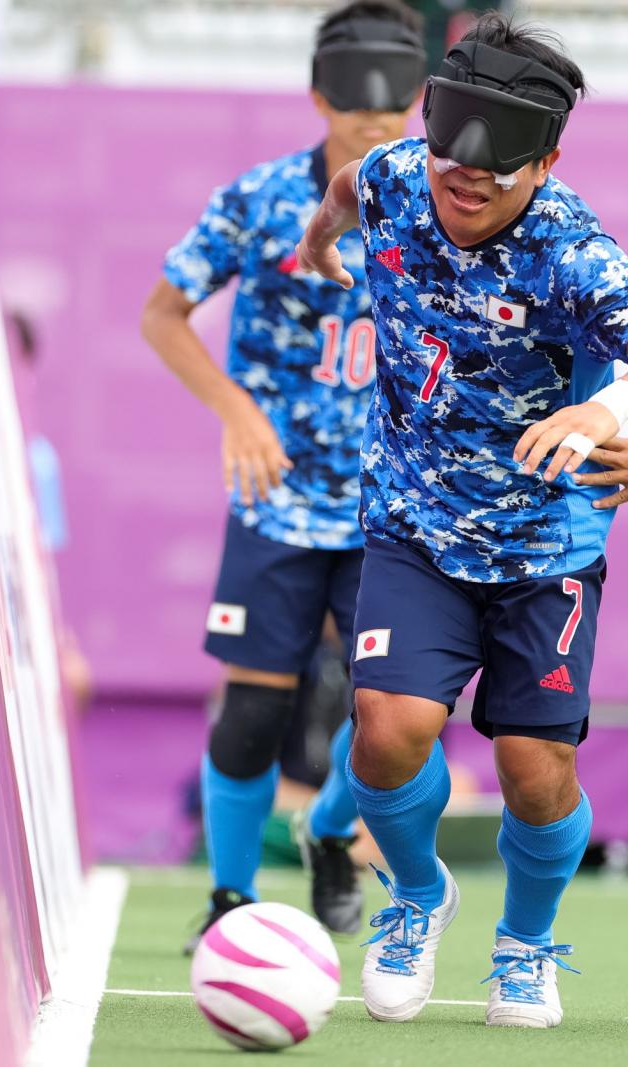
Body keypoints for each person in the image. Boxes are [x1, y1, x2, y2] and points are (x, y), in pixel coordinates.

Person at [297, 10, 628, 1029]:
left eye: (497, 154)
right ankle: (416, 895)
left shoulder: (575, 257)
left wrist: (603, 407)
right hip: (411, 519)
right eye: (451, 138)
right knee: (386, 732)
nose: (465, 171)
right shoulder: (399, 175)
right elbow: (354, 186)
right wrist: (320, 232)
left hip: (545, 544)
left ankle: (523, 943)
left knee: (534, 771)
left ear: (546, 159)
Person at [141, 0, 425, 950]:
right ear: (317, 97)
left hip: (395, 500)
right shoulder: (258, 199)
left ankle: (335, 828)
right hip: (278, 501)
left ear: (423, 99)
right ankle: (228, 899)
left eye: (395, 104)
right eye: (354, 103)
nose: (376, 122)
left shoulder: (447, 213)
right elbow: (163, 315)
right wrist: (237, 409)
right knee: (255, 710)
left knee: (393, 709)